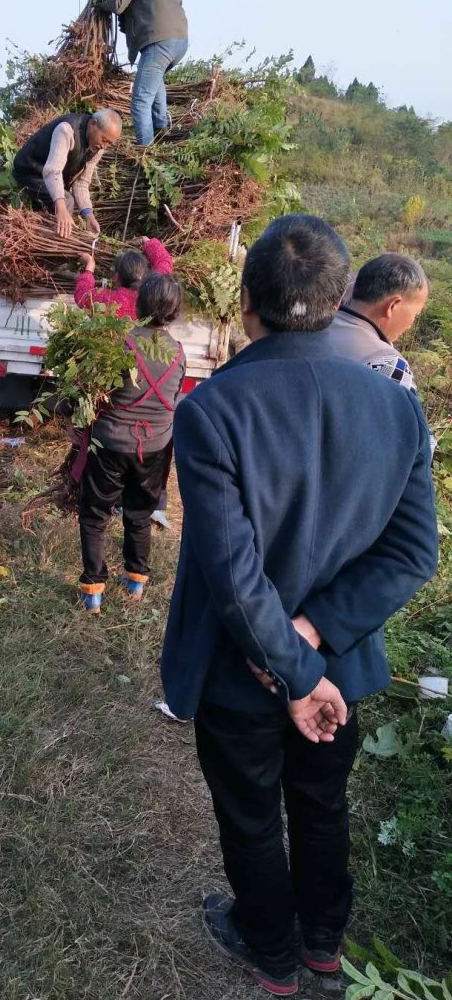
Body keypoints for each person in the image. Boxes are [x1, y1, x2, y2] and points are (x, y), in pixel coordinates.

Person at [161, 215, 438, 995]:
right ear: (342, 295)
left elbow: (232, 572)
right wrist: (318, 647)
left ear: (247, 302)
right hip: (339, 669)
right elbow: (414, 553)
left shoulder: (213, 408)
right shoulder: (396, 405)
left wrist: (291, 658)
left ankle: (271, 949)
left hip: (239, 672)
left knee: (251, 813)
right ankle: (320, 943)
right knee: (322, 804)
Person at [77, 272, 188, 613]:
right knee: (140, 515)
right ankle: (136, 582)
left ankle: (94, 591)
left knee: (94, 514)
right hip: (154, 447)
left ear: (139, 302)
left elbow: (94, 390)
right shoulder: (179, 353)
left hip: (111, 444)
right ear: (174, 311)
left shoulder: (118, 342)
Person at [75, 237, 176, 528]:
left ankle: (111, 497)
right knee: (152, 444)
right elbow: (165, 263)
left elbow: (84, 297)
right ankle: (152, 501)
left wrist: (89, 269)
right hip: (153, 381)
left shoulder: (110, 300)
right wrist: (151, 243)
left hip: (120, 382)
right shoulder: (154, 293)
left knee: (113, 438)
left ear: (116, 277)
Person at [90, 0, 188, 145]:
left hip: (159, 43)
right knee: (154, 81)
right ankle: (162, 132)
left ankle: (146, 152)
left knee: (140, 101)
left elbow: (118, 2)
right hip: (178, 42)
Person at [12, 109, 122, 239]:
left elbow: (81, 183)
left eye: (109, 143)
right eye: (104, 139)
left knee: (66, 202)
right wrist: (61, 208)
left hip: (49, 174)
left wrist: (88, 215)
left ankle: (48, 231)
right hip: (30, 170)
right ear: (93, 123)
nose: (104, 146)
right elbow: (53, 171)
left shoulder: (98, 149)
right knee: (67, 201)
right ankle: (55, 242)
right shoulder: (66, 130)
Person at [326, 252, 429, 391]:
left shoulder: (312, 326)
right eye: (415, 314)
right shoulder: (387, 365)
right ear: (393, 305)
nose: (411, 325)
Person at [74, 235, 173, 318]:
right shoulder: (156, 291)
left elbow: (83, 296)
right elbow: (164, 260)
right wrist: (146, 241)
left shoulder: (113, 301)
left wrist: (89, 267)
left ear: (116, 277)